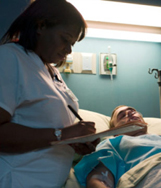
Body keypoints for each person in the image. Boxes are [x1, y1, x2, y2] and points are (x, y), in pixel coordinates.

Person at [0, 0, 99, 187]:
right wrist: (63, 135)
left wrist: (75, 142)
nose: (69, 50)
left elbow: (46, 132)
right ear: (41, 26)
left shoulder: (51, 72)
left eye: (72, 44)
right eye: (65, 39)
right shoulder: (9, 58)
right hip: (17, 180)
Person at [73, 105, 161, 188]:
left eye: (132, 111)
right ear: (115, 131)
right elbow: (98, 179)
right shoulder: (114, 143)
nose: (129, 113)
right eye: (122, 116)